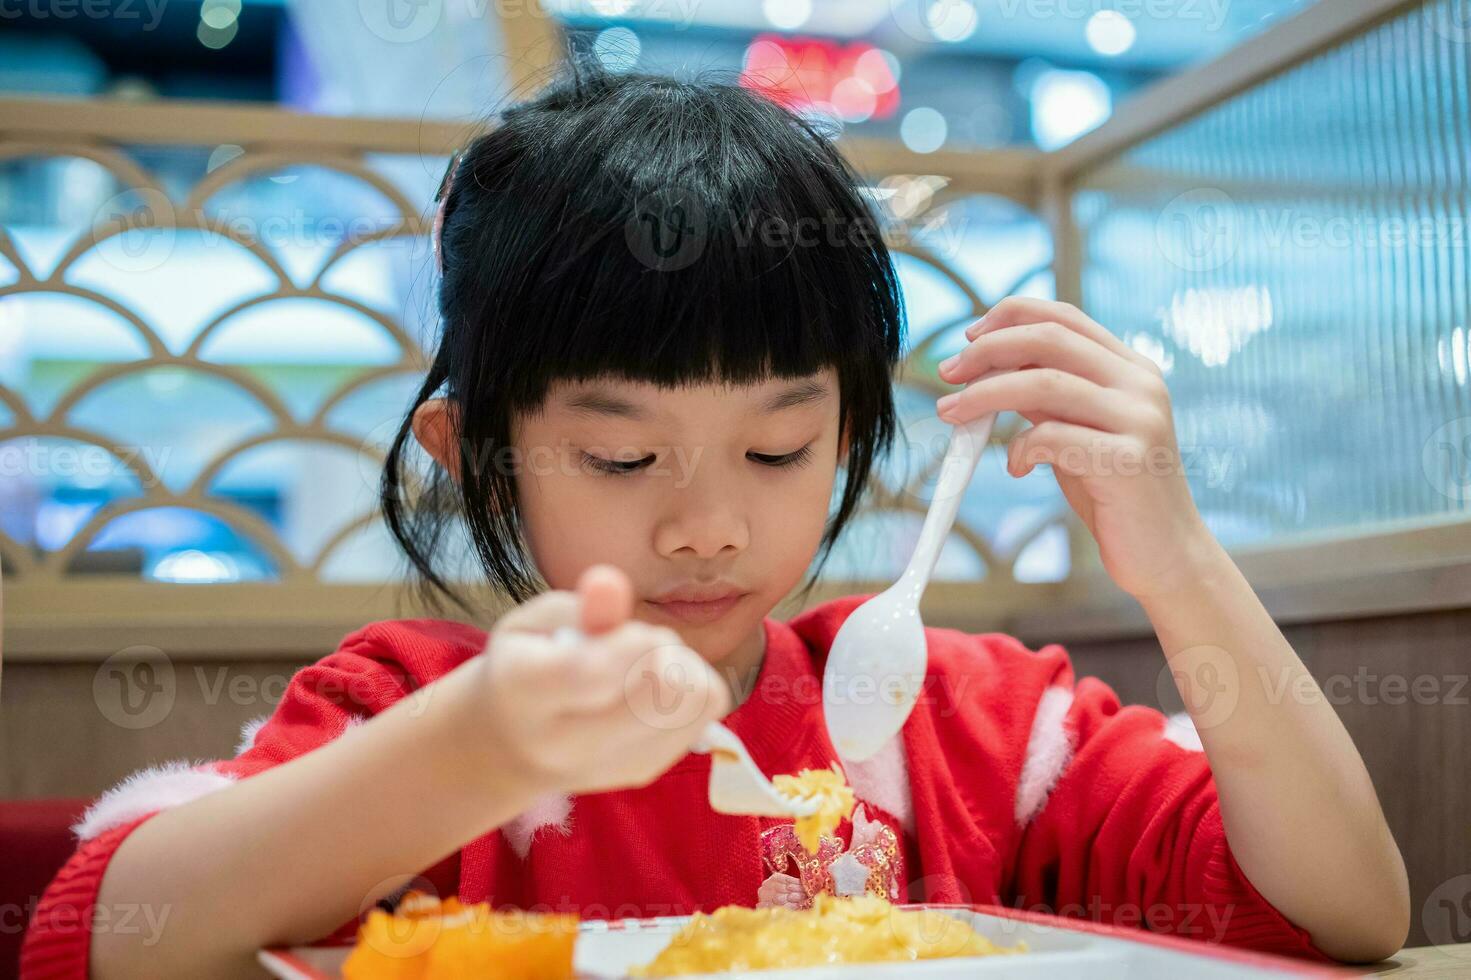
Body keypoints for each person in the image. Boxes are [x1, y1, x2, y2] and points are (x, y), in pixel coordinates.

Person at [22, 56, 1408, 979]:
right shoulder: (412, 711)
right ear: (468, 454)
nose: (704, 527)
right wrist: (477, 748)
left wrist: (1175, 553)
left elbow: (1341, 910)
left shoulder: (966, 724)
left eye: (778, 446)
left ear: (854, 437)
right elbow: (96, 934)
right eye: (621, 460)